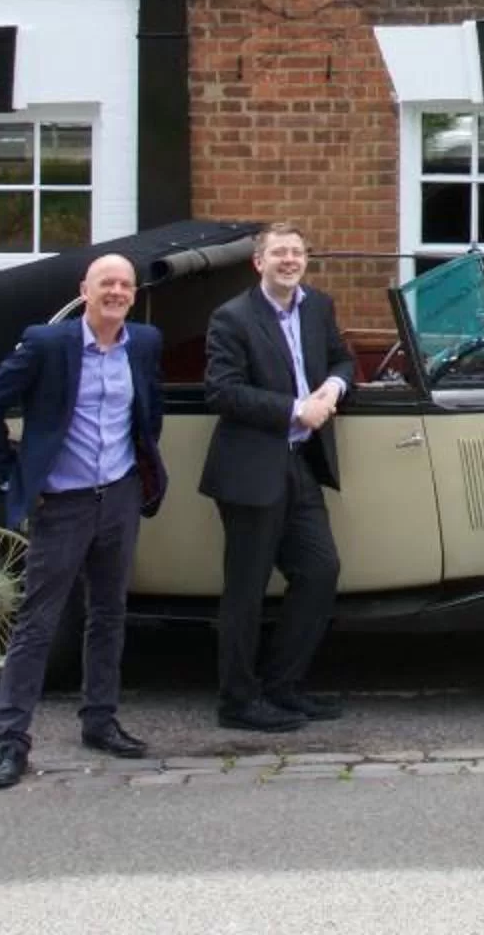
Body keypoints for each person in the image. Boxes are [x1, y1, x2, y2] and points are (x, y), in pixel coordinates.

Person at [0, 251, 165, 789]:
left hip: (119, 496)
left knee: (109, 613)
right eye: (106, 283)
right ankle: (11, 740)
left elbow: (149, 412)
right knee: (38, 621)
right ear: (85, 289)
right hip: (64, 502)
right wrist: (13, 476)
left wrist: (143, 468)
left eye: (124, 284)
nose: (116, 292)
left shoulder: (143, 343)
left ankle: (100, 721)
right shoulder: (47, 344)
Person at [201, 221, 349, 733]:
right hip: (251, 468)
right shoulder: (232, 317)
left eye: (297, 252)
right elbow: (220, 391)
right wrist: (294, 410)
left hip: (301, 465)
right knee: (246, 589)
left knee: (320, 570)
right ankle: (237, 702)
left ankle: (283, 688)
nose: (290, 260)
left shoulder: (318, 307)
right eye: (279, 253)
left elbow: (342, 358)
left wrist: (331, 389)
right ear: (258, 262)